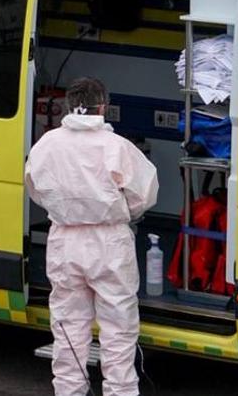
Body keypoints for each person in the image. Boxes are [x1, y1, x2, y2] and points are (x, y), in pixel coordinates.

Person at [26, 77, 159, 396]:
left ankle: (69, 391)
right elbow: (145, 194)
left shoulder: (47, 144)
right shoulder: (117, 147)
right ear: (103, 107)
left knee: (68, 327)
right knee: (118, 330)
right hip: (109, 242)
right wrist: (119, 210)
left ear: (69, 106)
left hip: (65, 239)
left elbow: (36, 188)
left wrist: (65, 208)